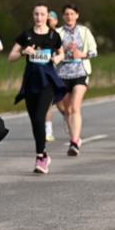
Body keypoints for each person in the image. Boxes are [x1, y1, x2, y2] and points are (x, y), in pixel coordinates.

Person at [9, 3, 66, 173]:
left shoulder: (53, 35)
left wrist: (57, 59)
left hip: (47, 81)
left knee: (40, 117)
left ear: (47, 16)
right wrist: (23, 52)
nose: (39, 17)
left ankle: (40, 156)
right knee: (35, 120)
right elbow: (11, 57)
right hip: (31, 81)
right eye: (36, 14)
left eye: (42, 14)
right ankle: (44, 153)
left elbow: (61, 52)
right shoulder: (26, 35)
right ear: (33, 15)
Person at [54, 4, 98, 156]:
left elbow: (94, 51)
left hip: (80, 72)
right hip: (62, 74)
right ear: (63, 16)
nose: (69, 17)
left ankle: (74, 142)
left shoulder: (84, 31)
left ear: (77, 15)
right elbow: (52, 52)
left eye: (72, 14)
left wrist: (82, 54)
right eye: (66, 14)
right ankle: (72, 129)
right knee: (66, 109)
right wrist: (63, 51)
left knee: (74, 107)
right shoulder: (57, 32)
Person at [44, 10, 61, 142]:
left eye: (52, 18)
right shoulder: (41, 33)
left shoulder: (60, 34)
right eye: (47, 18)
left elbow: (63, 52)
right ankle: (48, 131)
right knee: (48, 103)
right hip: (47, 73)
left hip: (63, 72)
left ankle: (69, 118)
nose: (49, 20)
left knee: (62, 104)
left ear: (56, 21)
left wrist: (57, 57)